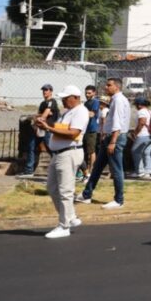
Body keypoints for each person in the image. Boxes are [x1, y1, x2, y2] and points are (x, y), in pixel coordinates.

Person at [36, 85, 88, 239]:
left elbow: (73, 133)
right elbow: (61, 129)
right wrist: (46, 126)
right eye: (63, 98)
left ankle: (63, 226)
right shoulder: (68, 112)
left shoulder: (81, 111)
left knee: (65, 191)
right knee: (52, 187)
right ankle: (70, 217)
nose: (63, 101)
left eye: (66, 98)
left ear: (75, 98)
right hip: (59, 153)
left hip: (69, 153)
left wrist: (48, 128)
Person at [77, 77, 129, 209]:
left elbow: (117, 123)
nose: (106, 87)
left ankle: (119, 200)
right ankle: (86, 195)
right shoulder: (116, 100)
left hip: (115, 138)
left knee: (116, 170)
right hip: (109, 137)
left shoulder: (118, 100)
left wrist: (112, 142)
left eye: (109, 85)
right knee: (97, 168)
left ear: (116, 87)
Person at [20, 84, 59, 178]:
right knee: (31, 146)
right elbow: (40, 114)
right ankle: (29, 170)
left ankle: (59, 167)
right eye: (43, 90)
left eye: (46, 90)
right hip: (39, 128)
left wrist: (39, 116)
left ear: (51, 91)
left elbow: (43, 117)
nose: (44, 92)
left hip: (48, 128)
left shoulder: (51, 102)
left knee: (52, 148)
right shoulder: (43, 103)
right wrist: (38, 116)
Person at [79, 85, 100, 182]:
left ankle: (91, 172)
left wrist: (81, 112)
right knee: (84, 152)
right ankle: (84, 172)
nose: (87, 95)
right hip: (85, 129)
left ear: (94, 93)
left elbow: (92, 114)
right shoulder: (86, 103)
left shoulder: (95, 102)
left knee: (91, 151)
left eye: (89, 93)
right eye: (86, 93)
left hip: (91, 129)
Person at [130, 98, 151, 179]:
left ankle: (140, 172)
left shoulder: (141, 111)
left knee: (135, 152)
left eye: (136, 104)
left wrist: (135, 133)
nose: (136, 106)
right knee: (147, 153)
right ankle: (148, 172)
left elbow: (142, 122)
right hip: (149, 135)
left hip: (142, 134)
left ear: (139, 105)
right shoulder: (149, 111)